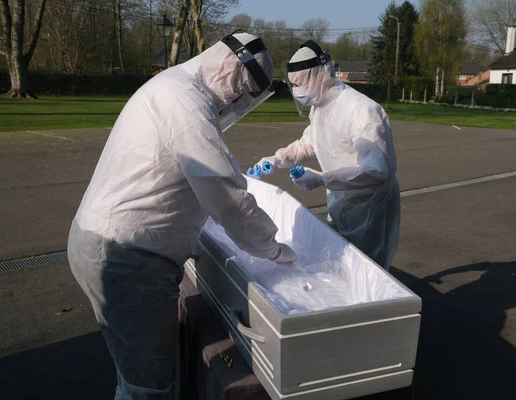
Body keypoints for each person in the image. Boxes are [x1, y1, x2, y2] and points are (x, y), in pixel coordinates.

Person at [67, 31, 296, 399]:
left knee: (136, 369)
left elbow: (176, 182)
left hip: (110, 245)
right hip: (126, 256)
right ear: (229, 66)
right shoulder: (185, 102)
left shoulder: (174, 86)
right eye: (241, 91)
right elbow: (223, 191)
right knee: (148, 385)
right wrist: (271, 248)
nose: (235, 102)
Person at [257, 40, 400, 270]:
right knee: (340, 263)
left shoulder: (361, 110)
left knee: (366, 269)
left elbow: (377, 172)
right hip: (341, 200)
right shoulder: (320, 107)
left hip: (369, 207)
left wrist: (323, 179)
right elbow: (308, 143)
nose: (296, 91)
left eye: (299, 83)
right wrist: (277, 159)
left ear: (319, 74)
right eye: (293, 85)